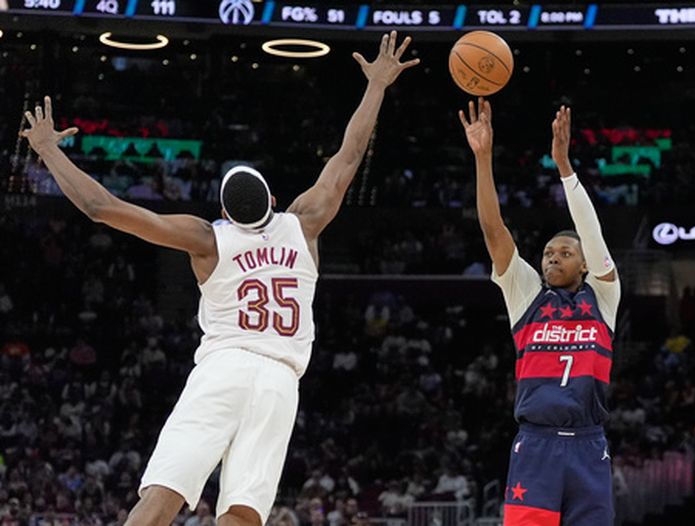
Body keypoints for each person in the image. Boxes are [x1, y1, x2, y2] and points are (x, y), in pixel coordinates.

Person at [20, 31, 419, 526]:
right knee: (243, 512)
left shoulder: (208, 238)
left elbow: (102, 208)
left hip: (224, 367)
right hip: (279, 380)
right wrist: (377, 85)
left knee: (163, 495)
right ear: (273, 200)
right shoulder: (305, 222)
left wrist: (48, 150)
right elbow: (349, 155)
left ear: (225, 213)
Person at [459, 100, 621, 525]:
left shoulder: (604, 297)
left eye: (565, 253)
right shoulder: (527, 294)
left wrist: (565, 168)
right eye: (548, 253)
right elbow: (494, 230)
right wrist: (483, 159)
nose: (552, 258)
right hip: (536, 445)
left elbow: (591, 232)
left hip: (589, 445)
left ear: (585, 264)